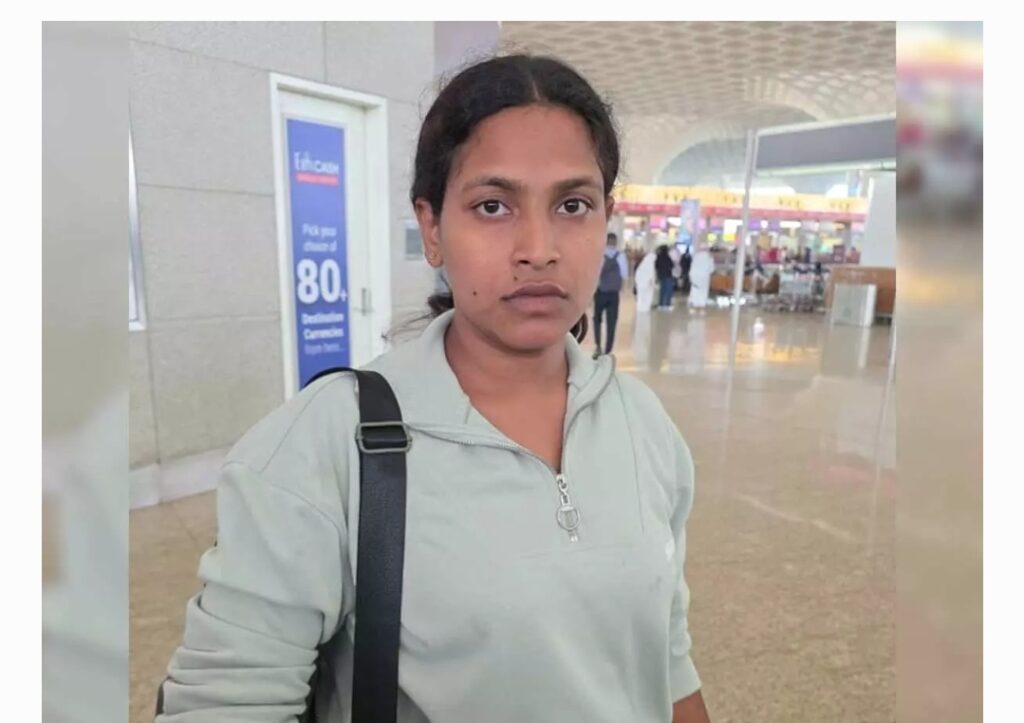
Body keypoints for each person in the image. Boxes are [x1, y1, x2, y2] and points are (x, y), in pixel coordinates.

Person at [157, 54, 710, 723]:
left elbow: (667, 659)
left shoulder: (642, 423)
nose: (539, 247)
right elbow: (227, 699)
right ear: (432, 228)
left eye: (573, 205)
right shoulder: (325, 446)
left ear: (606, 217)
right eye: (493, 206)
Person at [592, 232, 628, 359]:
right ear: (616, 242)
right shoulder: (621, 255)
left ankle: (598, 346)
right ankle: (608, 350)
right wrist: (622, 288)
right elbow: (624, 274)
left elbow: (595, 273)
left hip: (600, 292)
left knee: (597, 319)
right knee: (612, 322)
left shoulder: (600, 254)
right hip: (614, 293)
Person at [688, 243, 716, 315]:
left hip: (695, 277)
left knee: (694, 292)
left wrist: (691, 277)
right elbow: (712, 269)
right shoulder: (709, 257)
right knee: (703, 293)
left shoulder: (696, 256)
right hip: (704, 277)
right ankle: (702, 310)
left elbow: (692, 267)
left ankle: (693, 309)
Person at [634, 246, 658, 313]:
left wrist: (636, 283)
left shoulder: (642, 265)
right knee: (647, 297)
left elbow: (637, 275)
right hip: (648, 285)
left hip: (640, 285)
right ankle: (645, 309)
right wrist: (654, 285)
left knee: (640, 297)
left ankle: (639, 309)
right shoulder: (650, 265)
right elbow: (652, 277)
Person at [655, 244, 676, 310]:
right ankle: (667, 304)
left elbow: (656, 266)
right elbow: (672, 265)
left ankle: (661, 304)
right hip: (668, 276)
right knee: (668, 291)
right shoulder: (667, 257)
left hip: (661, 276)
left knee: (662, 290)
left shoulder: (658, 257)